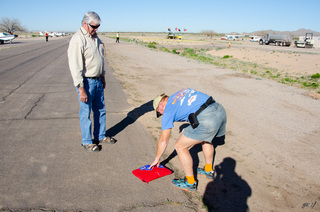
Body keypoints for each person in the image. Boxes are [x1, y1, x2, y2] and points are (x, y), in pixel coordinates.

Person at [150, 88, 227, 192]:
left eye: (159, 113)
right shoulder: (180, 92)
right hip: (219, 110)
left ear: (161, 106)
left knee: (180, 146)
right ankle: (208, 171)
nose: (161, 115)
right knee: (206, 138)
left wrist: (157, 159)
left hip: (207, 118)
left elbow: (163, 140)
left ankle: (190, 182)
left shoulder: (168, 111)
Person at [67, 11, 115, 152]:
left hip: (98, 81)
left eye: (98, 26)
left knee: (100, 110)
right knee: (85, 112)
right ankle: (87, 141)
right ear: (85, 23)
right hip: (86, 82)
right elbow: (75, 65)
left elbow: (100, 58)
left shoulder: (95, 38)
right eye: (93, 26)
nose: (96, 29)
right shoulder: (78, 39)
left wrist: (103, 77)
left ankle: (100, 136)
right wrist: (80, 87)